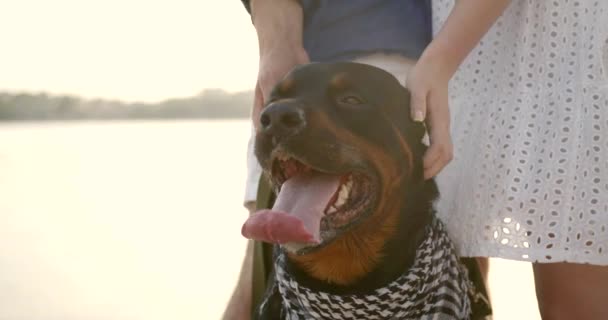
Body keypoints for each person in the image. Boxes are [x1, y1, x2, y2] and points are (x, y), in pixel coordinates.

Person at [225, 0, 608, 319]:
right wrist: (276, 36)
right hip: (345, 40)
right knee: (258, 290)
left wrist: (441, 60)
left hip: (483, 51)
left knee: (476, 272)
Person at [430, 1, 608, 319]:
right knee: (460, 282)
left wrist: (439, 60)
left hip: (567, 57)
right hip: (483, 67)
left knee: (572, 300)